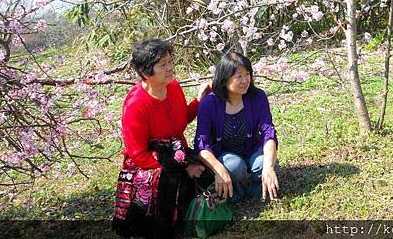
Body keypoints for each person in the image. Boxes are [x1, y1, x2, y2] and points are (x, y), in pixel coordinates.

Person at [112, 38, 210, 239]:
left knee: (206, 174)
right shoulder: (135, 104)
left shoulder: (173, 86)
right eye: (162, 65)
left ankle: (191, 216)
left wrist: (200, 100)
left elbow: (181, 120)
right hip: (149, 161)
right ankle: (165, 228)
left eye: (170, 62)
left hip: (176, 151)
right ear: (146, 72)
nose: (170, 68)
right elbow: (138, 153)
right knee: (170, 181)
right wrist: (183, 167)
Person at [195, 51, 279, 203]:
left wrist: (269, 167)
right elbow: (202, 144)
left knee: (263, 163)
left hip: (252, 149)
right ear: (224, 79)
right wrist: (218, 169)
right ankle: (236, 194)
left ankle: (259, 192)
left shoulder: (257, 97)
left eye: (247, 74)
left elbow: (268, 132)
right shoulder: (209, 103)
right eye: (238, 76)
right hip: (226, 155)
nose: (245, 80)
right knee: (234, 166)